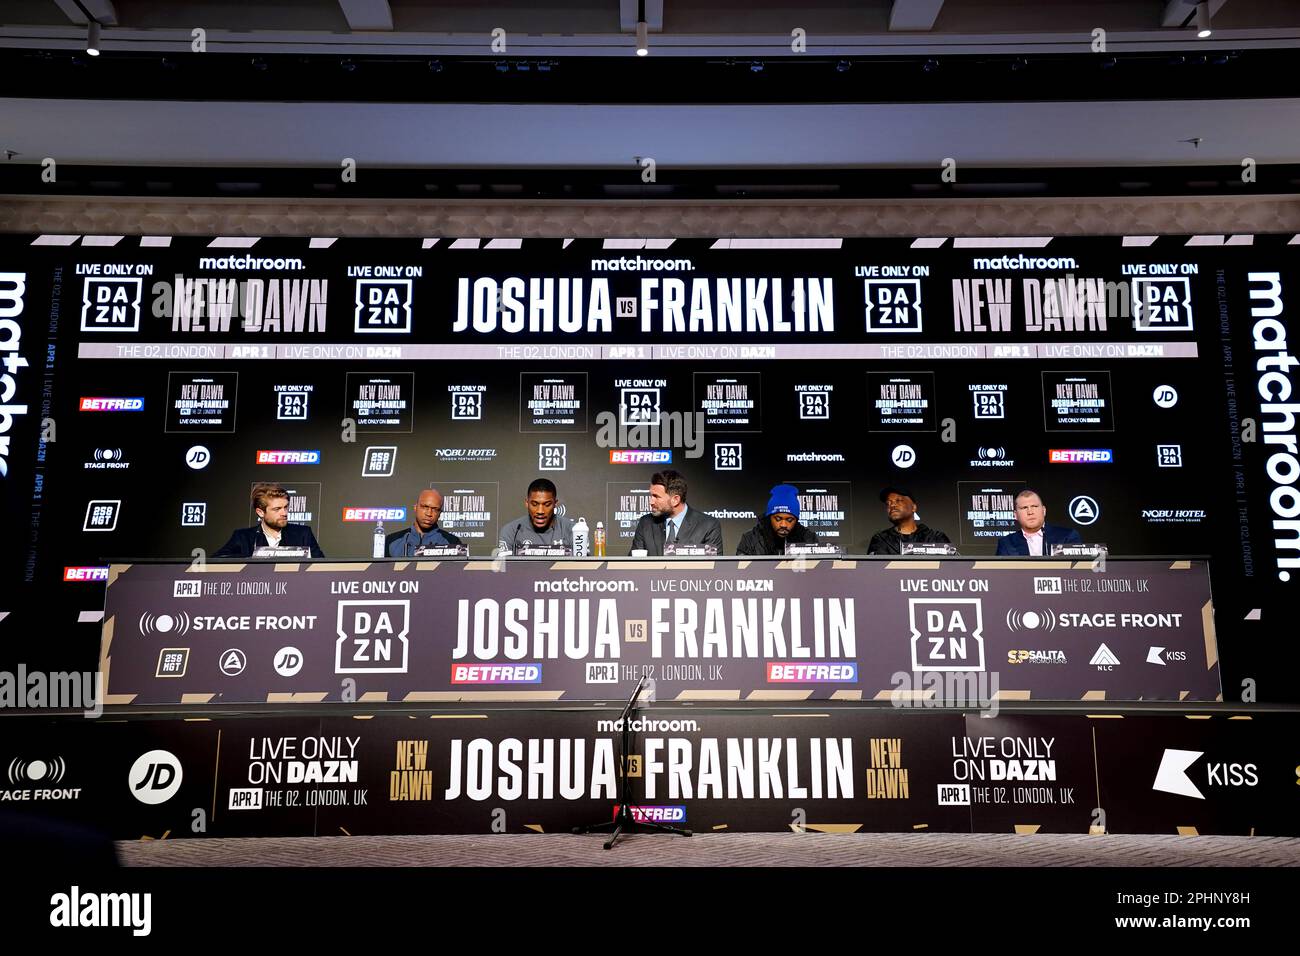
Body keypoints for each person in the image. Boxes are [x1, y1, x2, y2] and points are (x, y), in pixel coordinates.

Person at [213, 482, 324, 558]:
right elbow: (217, 560)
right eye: (277, 509)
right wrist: (255, 556)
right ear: (260, 512)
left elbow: (321, 565)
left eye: (285, 507)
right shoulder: (243, 537)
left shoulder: (303, 534)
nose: (284, 513)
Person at [631, 469, 723, 555]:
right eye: (651, 496)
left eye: (656, 497)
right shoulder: (645, 523)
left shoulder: (708, 526)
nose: (651, 502)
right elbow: (633, 565)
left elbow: (714, 567)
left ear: (675, 500)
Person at [736, 484, 819, 555]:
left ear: (796, 520)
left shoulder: (809, 539)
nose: (783, 525)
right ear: (769, 517)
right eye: (778, 519)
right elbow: (741, 572)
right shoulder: (750, 539)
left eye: (789, 520)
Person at [496, 478, 575, 553]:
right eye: (534, 504)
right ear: (527, 503)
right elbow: (505, 566)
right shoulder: (512, 531)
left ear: (555, 503)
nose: (540, 511)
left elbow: (581, 565)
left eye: (547, 504)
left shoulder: (573, 531)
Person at [996, 488, 1082, 556]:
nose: (1030, 512)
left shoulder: (1067, 536)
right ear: (1015, 515)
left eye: (1034, 506)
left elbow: (1076, 571)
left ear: (1043, 510)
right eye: (1024, 508)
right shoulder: (1006, 543)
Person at [867, 487, 952, 555]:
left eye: (898, 500)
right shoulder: (881, 540)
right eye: (888, 503)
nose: (892, 505)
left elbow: (953, 568)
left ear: (914, 507)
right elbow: (875, 571)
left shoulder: (935, 538)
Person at [387, 487, 463, 556]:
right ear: (415, 508)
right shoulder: (391, 541)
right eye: (425, 507)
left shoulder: (453, 542)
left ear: (440, 513)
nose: (429, 513)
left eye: (435, 509)